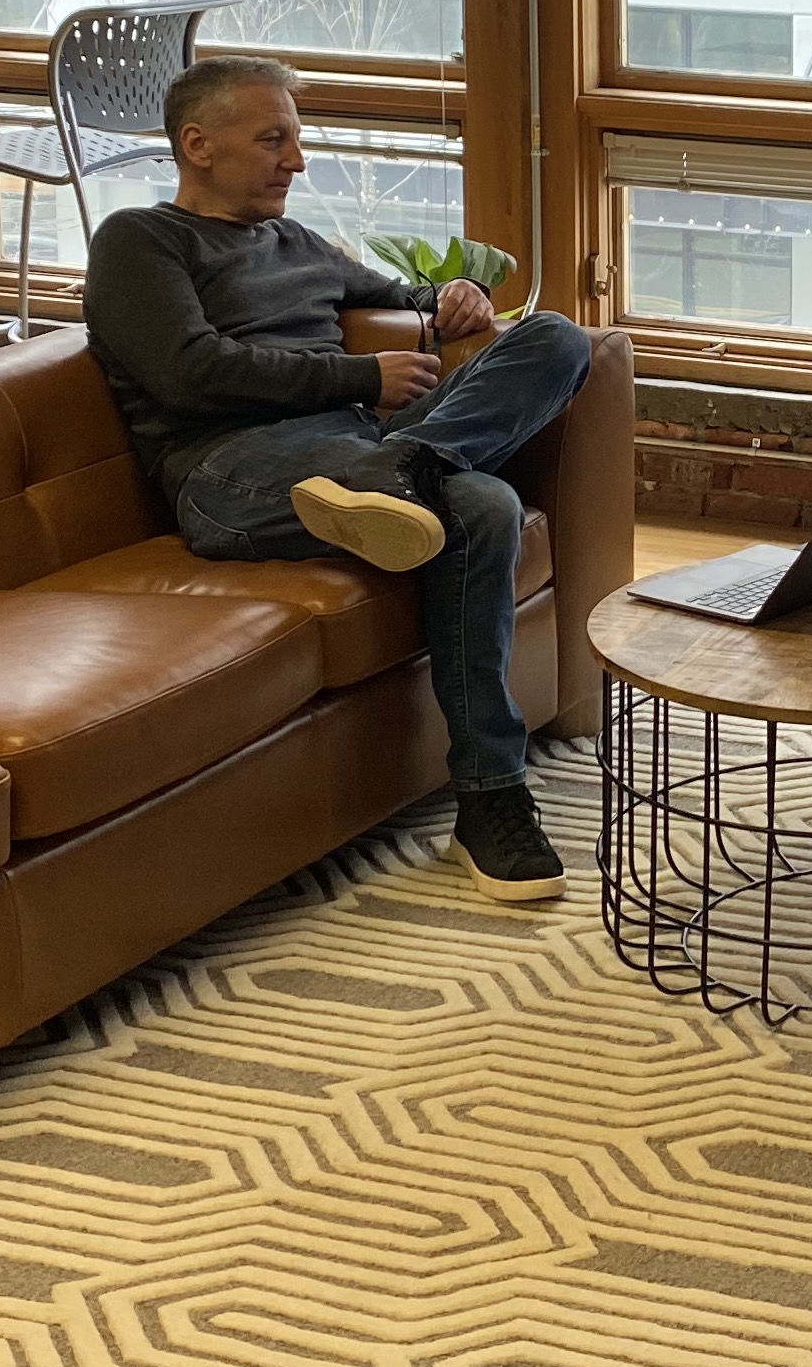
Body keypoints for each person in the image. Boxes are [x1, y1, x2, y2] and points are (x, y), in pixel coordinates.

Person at [82, 55, 595, 894]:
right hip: (234, 471)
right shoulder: (142, 241)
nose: (297, 159)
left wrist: (452, 295)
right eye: (274, 139)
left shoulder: (299, 243)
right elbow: (187, 370)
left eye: (297, 138)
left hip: (358, 454)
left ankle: (410, 465)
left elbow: (402, 294)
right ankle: (490, 799)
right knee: (483, 505)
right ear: (197, 144)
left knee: (559, 340)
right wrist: (362, 380)